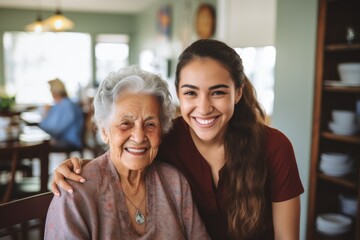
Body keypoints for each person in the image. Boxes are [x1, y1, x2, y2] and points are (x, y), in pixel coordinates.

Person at [51, 39, 304, 240]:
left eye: (218, 92)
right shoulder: (166, 138)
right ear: (179, 96)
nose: (204, 108)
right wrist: (80, 166)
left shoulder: (274, 147)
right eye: (191, 92)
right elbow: (125, 153)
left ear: (237, 93)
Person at [44, 66, 210, 239]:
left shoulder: (175, 183)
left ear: (162, 131)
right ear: (104, 131)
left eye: (150, 124)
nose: (139, 137)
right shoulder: (75, 194)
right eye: (125, 123)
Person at [39, 78, 83, 150]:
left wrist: (44, 115)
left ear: (54, 91)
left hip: (69, 141)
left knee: (40, 146)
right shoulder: (60, 104)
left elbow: (56, 130)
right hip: (61, 138)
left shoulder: (66, 105)